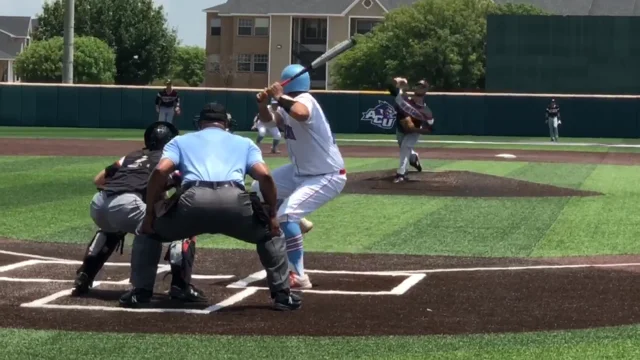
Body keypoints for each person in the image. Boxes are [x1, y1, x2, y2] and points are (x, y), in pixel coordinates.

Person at [120, 102, 300, 311]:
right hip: (235, 201)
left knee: (148, 233)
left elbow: (160, 172)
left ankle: (140, 294)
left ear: (200, 123)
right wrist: (271, 216)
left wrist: (150, 214)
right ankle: (282, 296)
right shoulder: (244, 142)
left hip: (192, 201)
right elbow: (265, 176)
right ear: (226, 123)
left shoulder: (180, 140)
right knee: (270, 235)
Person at [71, 122, 196, 298]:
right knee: (159, 228)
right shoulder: (170, 158)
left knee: (113, 228)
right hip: (127, 203)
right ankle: (167, 287)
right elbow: (184, 186)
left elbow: (98, 180)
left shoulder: (132, 155)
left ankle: (85, 275)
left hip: (99, 203)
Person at [251, 64, 347, 289]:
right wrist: (262, 103)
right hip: (299, 172)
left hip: (327, 175)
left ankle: (299, 276)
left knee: (285, 216)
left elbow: (301, 114)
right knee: (258, 189)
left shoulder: (306, 100)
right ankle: (299, 223)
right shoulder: (286, 105)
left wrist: (279, 96)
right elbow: (268, 121)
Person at [388, 77, 434, 183]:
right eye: (418, 85)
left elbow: (430, 129)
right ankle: (414, 158)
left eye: (422, 86)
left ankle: (401, 174)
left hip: (414, 132)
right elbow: (391, 88)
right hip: (400, 129)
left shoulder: (426, 111)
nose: (419, 88)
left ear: (426, 90)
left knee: (405, 147)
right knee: (405, 148)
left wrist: (416, 129)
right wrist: (398, 82)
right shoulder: (405, 98)